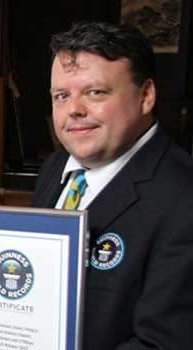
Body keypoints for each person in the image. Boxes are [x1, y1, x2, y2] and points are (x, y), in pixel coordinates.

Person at [33, 22, 193, 349]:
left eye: (95, 92)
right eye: (62, 95)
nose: (74, 109)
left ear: (146, 96)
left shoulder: (184, 197)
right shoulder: (55, 169)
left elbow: (164, 342)